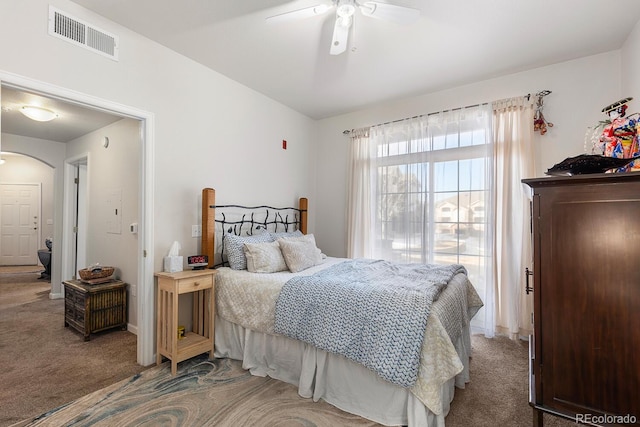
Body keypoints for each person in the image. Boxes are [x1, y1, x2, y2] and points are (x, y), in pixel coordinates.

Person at [598, 97, 640, 171]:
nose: (612, 116)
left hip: (631, 144)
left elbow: (637, 129)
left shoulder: (631, 121)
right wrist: (604, 139)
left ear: (620, 112)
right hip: (618, 145)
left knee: (630, 161)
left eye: (613, 113)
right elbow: (607, 136)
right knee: (620, 163)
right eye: (610, 114)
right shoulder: (611, 125)